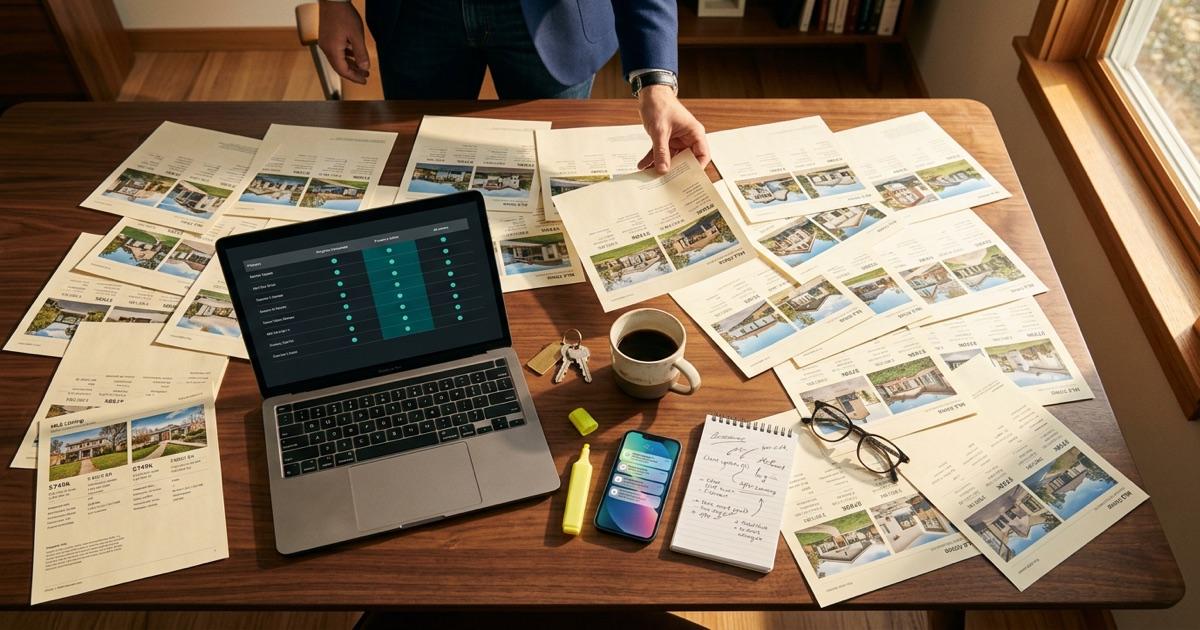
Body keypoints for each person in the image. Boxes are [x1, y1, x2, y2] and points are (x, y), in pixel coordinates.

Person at [318, 0, 709, 174]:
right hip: (418, 12)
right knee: (420, 170)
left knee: (551, 175)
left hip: (552, 16)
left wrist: (655, 81)